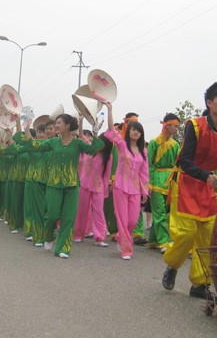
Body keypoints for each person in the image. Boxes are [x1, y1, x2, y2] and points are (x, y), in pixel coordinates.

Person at [161, 82, 217, 298]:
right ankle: (172, 264)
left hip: (209, 188)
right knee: (187, 234)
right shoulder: (195, 126)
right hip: (187, 184)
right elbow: (185, 161)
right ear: (209, 103)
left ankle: (200, 284)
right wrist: (206, 175)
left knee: (208, 237)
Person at [21, 114, 104, 258]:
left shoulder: (78, 143)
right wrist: (26, 129)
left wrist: (95, 131)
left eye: (59, 123)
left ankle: (63, 248)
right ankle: (48, 236)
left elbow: (94, 150)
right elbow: (34, 147)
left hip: (71, 185)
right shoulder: (53, 142)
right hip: (53, 183)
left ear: (67, 126)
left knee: (68, 218)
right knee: (51, 216)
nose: (56, 125)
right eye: (56, 123)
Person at [104, 103, 149, 260]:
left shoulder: (143, 151)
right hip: (120, 187)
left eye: (138, 130)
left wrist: (145, 191)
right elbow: (111, 131)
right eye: (133, 129)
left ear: (141, 134)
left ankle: (120, 238)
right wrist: (110, 110)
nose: (135, 132)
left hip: (135, 189)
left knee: (132, 220)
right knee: (123, 220)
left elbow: (144, 173)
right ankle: (126, 249)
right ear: (128, 131)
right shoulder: (122, 146)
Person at [146, 113, 181, 253]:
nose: (177, 129)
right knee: (159, 212)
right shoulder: (154, 143)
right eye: (176, 126)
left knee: (165, 213)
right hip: (156, 181)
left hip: (171, 181)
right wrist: (148, 183)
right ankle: (164, 242)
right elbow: (148, 164)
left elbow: (178, 165)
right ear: (167, 125)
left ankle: (153, 240)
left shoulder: (175, 144)